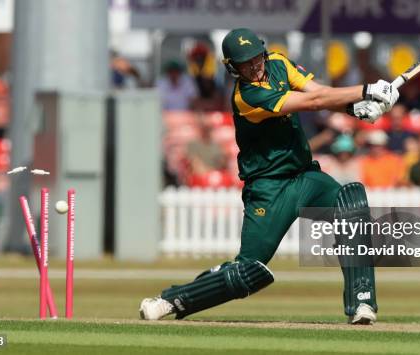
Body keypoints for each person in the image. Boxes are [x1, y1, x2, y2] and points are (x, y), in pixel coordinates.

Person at [139, 28, 399, 325]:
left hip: (304, 176)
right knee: (248, 272)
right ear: (232, 67)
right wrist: (366, 91)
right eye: (244, 63)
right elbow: (311, 104)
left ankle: (361, 303)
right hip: (268, 188)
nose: (254, 66)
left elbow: (315, 92)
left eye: (255, 58)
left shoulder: (278, 62)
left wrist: (354, 108)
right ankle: (171, 300)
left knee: (350, 201)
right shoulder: (247, 96)